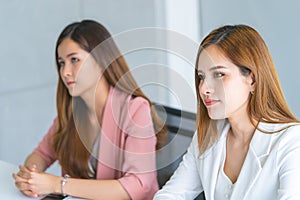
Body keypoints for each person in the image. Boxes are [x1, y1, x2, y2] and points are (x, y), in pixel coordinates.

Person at [13, 19, 166, 200]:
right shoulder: (72, 112)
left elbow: (139, 185)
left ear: (101, 61)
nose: (65, 72)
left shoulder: (135, 109)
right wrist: (31, 177)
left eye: (74, 60)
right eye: (62, 63)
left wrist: (57, 184)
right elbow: (42, 154)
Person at [154, 24, 300, 200]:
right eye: (201, 77)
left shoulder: (292, 141)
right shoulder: (207, 139)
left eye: (219, 75)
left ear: (252, 80)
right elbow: (170, 195)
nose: (204, 89)